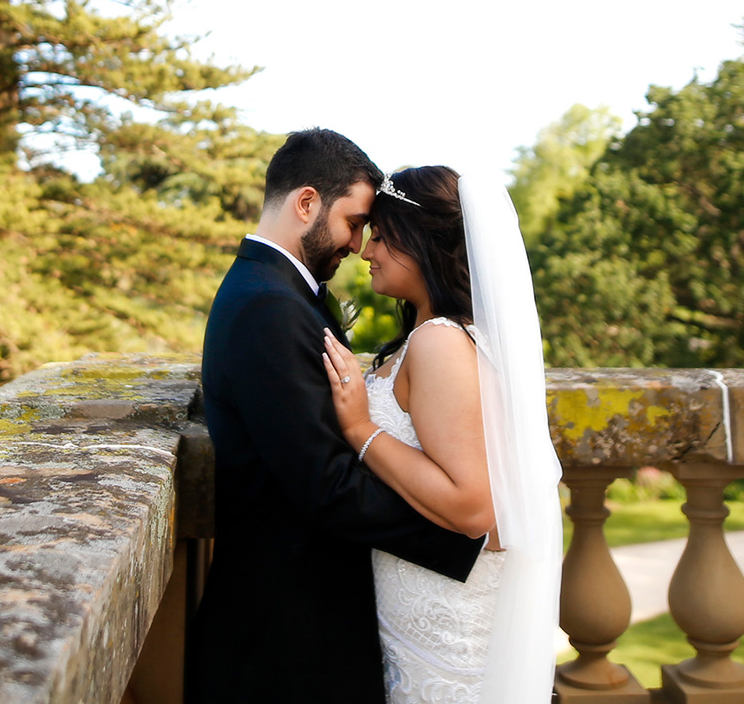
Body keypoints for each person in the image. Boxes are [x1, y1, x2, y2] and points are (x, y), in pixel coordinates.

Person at [191, 130, 485, 704]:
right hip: (286, 633)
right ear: (306, 204)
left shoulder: (280, 293)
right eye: (355, 222)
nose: (358, 245)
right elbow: (324, 484)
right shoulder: (268, 306)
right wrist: (467, 537)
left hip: (320, 619)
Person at [322, 165, 564, 704]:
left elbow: (472, 505)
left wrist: (360, 428)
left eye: (381, 236)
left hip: (443, 621)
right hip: (418, 602)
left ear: (422, 241)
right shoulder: (440, 336)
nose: (366, 251)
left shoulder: (440, 342)